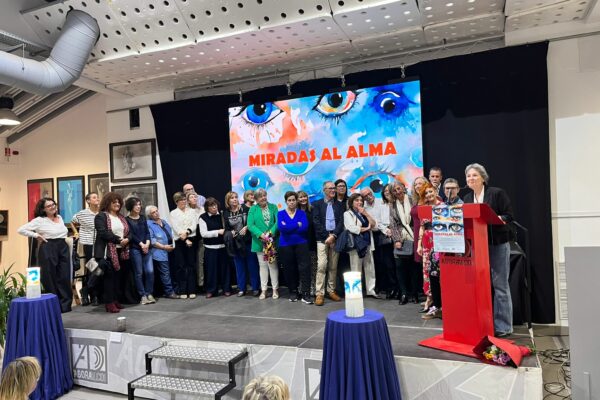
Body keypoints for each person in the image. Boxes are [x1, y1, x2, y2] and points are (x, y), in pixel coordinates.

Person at [463, 163, 514, 337]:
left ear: (483, 178)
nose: (471, 178)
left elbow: (509, 215)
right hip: (478, 247)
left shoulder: (496, 193)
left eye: (474, 175)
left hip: (497, 244)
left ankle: (504, 326)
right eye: (468, 176)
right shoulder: (468, 198)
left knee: (500, 286)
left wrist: (498, 218)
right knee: (481, 286)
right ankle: (483, 323)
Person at [17, 198, 72, 313]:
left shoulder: (60, 218)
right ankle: (54, 305)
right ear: (43, 209)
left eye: (53, 204)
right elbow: (21, 230)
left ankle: (65, 305)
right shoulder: (39, 220)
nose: (52, 207)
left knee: (64, 275)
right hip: (48, 247)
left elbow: (62, 233)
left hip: (62, 246)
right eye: (49, 206)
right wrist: (36, 235)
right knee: (50, 276)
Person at [94, 192, 130, 313]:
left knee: (117, 278)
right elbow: (103, 232)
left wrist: (127, 239)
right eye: (114, 202)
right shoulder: (101, 216)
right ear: (107, 203)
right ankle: (109, 303)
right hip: (107, 251)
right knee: (108, 279)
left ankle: (115, 300)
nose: (117, 204)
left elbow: (128, 231)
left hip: (121, 250)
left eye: (119, 202)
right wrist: (119, 239)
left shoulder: (121, 217)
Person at [312, 181, 344, 306]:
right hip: (322, 239)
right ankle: (319, 294)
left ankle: (331, 291)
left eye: (334, 188)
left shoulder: (339, 205)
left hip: (335, 238)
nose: (333, 190)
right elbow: (316, 222)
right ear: (324, 190)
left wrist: (334, 235)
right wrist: (327, 237)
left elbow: (341, 222)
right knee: (321, 266)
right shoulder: (317, 204)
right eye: (330, 188)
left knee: (333, 266)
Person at [277, 191, 312, 303]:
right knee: (289, 269)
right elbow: (282, 229)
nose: (291, 202)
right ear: (286, 201)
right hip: (285, 245)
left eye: (293, 200)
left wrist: (289, 227)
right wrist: (297, 224)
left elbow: (304, 228)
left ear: (296, 201)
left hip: (301, 244)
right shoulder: (281, 213)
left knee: (305, 268)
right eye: (289, 200)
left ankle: (306, 294)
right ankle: (293, 292)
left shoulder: (302, 213)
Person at [223, 191, 259, 297]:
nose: (235, 199)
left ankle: (255, 288)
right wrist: (231, 232)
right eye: (232, 198)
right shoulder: (226, 212)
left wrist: (247, 227)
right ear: (228, 201)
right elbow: (227, 228)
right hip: (236, 244)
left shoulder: (246, 209)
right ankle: (242, 288)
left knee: (252, 266)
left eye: (236, 197)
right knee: (239, 267)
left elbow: (253, 221)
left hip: (248, 241)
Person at [344, 193, 379, 298]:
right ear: (351, 202)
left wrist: (366, 214)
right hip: (356, 244)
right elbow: (351, 228)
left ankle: (371, 290)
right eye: (356, 200)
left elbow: (375, 226)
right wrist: (366, 229)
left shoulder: (364, 212)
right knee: (356, 268)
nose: (359, 202)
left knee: (370, 267)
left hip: (367, 243)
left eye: (360, 200)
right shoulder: (348, 214)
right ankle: (356, 292)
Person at [388, 182, 419, 305]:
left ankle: (414, 293)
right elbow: (393, 224)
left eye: (398, 189)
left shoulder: (412, 199)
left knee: (414, 267)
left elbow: (417, 218)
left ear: (403, 189)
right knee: (400, 267)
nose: (397, 192)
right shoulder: (392, 205)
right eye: (394, 190)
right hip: (400, 238)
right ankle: (404, 293)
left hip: (414, 236)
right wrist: (396, 240)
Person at [417, 183, 444, 319]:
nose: (429, 195)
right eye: (426, 193)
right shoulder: (424, 208)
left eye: (430, 192)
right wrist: (419, 245)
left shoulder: (442, 206)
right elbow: (422, 227)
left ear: (435, 191)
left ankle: (438, 302)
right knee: (426, 271)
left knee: (437, 273)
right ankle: (430, 298)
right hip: (426, 243)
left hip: (439, 242)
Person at [247, 189, 279, 300]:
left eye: (264, 195)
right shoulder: (252, 209)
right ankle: (264, 290)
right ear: (256, 199)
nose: (263, 198)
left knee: (273, 265)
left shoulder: (273, 207)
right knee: (263, 266)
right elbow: (250, 225)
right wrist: (261, 235)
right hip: (259, 242)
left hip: (271, 241)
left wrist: (270, 234)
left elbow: (277, 222)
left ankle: (275, 289)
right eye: (260, 196)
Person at [71, 192, 100, 306]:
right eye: (94, 197)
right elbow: (72, 221)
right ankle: (92, 296)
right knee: (93, 268)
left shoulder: (101, 213)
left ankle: (87, 291)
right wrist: (76, 232)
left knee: (98, 269)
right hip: (88, 244)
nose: (97, 199)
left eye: (97, 197)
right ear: (88, 201)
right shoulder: (82, 213)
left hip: (100, 244)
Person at [199, 197, 232, 298]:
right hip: (210, 248)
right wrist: (217, 232)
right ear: (207, 208)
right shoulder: (202, 217)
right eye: (211, 206)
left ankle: (227, 289)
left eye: (215, 205)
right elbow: (203, 234)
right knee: (211, 271)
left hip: (223, 247)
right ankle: (211, 290)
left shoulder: (222, 215)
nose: (214, 207)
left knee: (225, 270)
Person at [125, 197, 155, 305]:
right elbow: (131, 235)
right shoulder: (127, 219)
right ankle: (142, 295)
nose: (138, 206)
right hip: (135, 249)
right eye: (136, 205)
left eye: (139, 204)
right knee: (139, 273)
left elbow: (147, 232)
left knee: (150, 271)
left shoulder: (142, 218)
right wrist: (141, 244)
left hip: (146, 247)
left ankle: (149, 293)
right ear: (130, 207)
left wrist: (147, 243)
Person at [146, 205, 179, 299]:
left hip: (170, 250)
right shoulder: (148, 224)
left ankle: (174, 289)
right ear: (149, 215)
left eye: (157, 210)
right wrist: (164, 247)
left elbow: (171, 233)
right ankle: (169, 292)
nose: (156, 213)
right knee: (165, 273)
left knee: (172, 271)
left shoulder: (163, 221)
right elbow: (152, 240)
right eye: (153, 212)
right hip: (159, 251)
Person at [170, 192, 198, 299]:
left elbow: (194, 225)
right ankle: (182, 290)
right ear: (176, 202)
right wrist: (185, 239)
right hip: (179, 241)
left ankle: (191, 289)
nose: (183, 201)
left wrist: (187, 233)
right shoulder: (173, 213)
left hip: (191, 238)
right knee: (181, 266)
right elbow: (175, 227)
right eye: (180, 200)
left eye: (184, 199)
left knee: (191, 265)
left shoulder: (192, 211)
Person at [298, 190, 317, 296]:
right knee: (302, 267)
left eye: (304, 196)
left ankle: (313, 287)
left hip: (312, 243)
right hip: (299, 244)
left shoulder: (312, 210)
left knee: (313, 267)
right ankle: (302, 287)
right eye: (300, 197)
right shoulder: (295, 212)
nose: (303, 199)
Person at [187, 191, 206, 294]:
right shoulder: (187, 211)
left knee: (201, 262)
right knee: (191, 263)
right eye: (192, 197)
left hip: (201, 238)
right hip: (190, 238)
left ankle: (201, 284)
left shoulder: (202, 209)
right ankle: (192, 285)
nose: (194, 198)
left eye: (195, 197)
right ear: (187, 200)